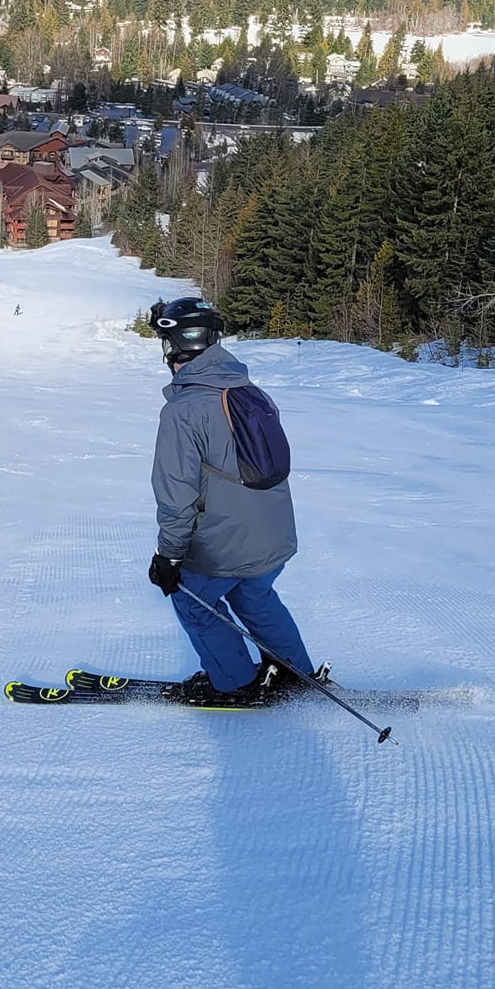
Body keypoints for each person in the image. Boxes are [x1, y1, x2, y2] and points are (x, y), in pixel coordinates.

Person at [145, 296, 314, 707]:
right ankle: (296, 672)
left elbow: (175, 494)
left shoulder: (184, 410)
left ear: (173, 346)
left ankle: (234, 682)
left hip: (226, 544)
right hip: (273, 537)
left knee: (194, 601)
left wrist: (168, 557)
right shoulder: (250, 391)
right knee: (253, 595)